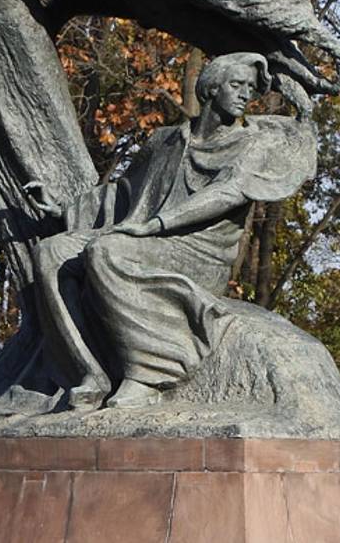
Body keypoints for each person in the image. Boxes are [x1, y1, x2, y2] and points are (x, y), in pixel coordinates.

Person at [26, 52, 316, 411]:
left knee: (106, 252)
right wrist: (65, 209)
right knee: (51, 253)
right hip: (146, 237)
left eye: (250, 89)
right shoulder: (165, 140)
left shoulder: (250, 144)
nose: (245, 95)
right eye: (237, 85)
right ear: (211, 88)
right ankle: (89, 373)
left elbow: (227, 193)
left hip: (198, 252)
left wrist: (155, 225)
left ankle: (148, 375)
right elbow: (124, 192)